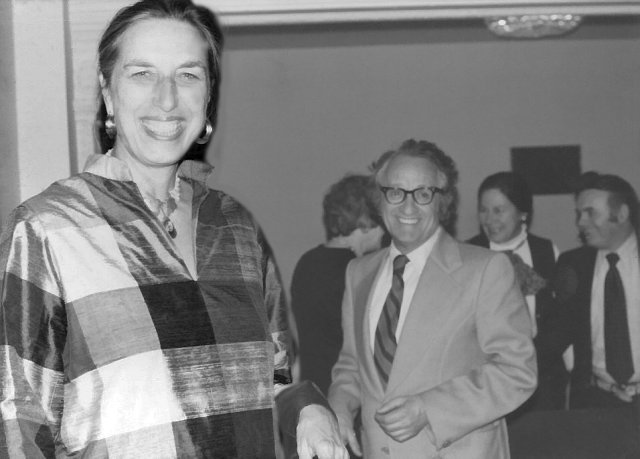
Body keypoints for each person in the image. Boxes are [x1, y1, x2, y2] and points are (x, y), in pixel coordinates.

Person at [0, 1, 347, 458]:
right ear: (108, 92)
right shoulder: (47, 228)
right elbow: (20, 422)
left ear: (207, 99)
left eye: (188, 75)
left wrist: (306, 408)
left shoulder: (238, 227)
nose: (166, 99)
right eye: (141, 73)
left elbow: (274, 376)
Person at [328, 139, 537, 458]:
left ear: (443, 201)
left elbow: (517, 370)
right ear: (379, 198)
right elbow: (351, 366)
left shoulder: (484, 269)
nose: (407, 207)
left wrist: (430, 408)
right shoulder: (358, 273)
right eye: (395, 192)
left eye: (423, 193)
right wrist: (340, 407)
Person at [468, 171, 567, 413]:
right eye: (484, 210)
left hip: (543, 378)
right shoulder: (469, 253)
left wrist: (535, 358)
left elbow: (562, 319)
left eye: (499, 210)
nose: (489, 219)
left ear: (523, 213)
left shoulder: (546, 250)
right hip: (486, 379)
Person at [551, 171, 640, 411]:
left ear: (621, 214)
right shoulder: (573, 265)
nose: (581, 222)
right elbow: (556, 335)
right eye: (579, 214)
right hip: (596, 403)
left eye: (591, 213)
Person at [291, 174, 384, 396]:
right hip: (344, 392)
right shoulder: (357, 271)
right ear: (366, 223)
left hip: (311, 387)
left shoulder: (307, 261)